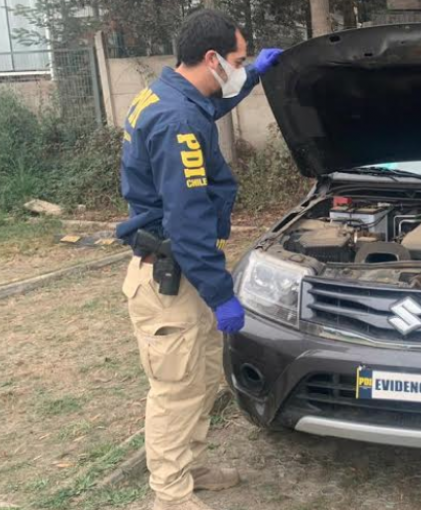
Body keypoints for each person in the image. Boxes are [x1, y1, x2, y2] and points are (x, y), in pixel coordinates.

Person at [115, 9, 282, 510]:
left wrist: (251, 77)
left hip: (177, 272)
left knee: (200, 379)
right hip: (175, 278)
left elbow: (205, 108)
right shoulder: (178, 120)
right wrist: (221, 295)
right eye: (237, 58)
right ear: (212, 58)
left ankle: (191, 466)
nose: (240, 64)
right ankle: (170, 496)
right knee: (176, 392)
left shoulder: (166, 95)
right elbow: (188, 226)